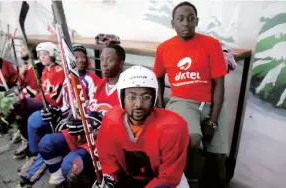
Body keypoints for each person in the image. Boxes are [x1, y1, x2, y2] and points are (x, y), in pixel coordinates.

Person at [152, 1, 229, 188]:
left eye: (190, 18)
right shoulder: (164, 48)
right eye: (180, 19)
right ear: (173, 23)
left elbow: (219, 84)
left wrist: (213, 120)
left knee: (218, 156)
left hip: (211, 102)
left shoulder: (211, 44)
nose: (185, 23)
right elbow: (159, 78)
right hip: (182, 102)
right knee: (193, 139)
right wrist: (161, 104)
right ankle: (189, 181)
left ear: (197, 21)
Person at [38, 44, 125, 187]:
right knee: (47, 143)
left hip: (104, 140)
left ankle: (91, 181)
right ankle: (61, 180)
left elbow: (121, 125)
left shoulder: (124, 88)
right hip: (87, 133)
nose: (103, 63)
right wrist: (67, 116)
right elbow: (89, 111)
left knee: (69, 166)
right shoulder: (101, 84)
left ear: (121, 63)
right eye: (102, 59)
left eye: (109, 60)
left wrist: (93, 124)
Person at [16, 44, 100, 188]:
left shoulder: (91, 79)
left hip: (86, 129)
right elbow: (66, 107)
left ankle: (32, 179)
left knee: (57, 150)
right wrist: (57, 113)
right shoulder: (68, 80)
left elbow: (94, 107)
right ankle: (32, 177)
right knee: (46, 141)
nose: (78, 60)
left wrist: (81, 119)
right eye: (74, 58)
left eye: (81, 57)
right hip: (72, 125)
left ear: (87, 60)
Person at [92, 65, 189, 188]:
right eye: (131, 97)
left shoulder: (173, 127)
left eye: (146, 97)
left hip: (164, 181)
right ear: (121, 97)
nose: (138, 104)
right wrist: (109, 178)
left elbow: (168, 177)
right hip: (129, 177)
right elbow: (107, 158)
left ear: (154, 98)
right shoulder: (111, 119)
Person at [12, 41, 65, 159]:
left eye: (45, 54)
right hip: (44, 102)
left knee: (21, 104)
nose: (42, 57)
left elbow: (56, 98)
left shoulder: (59, 71)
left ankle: (33, 151)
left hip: (53, 107)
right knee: (20, 113)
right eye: (40, 54)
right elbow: (42, 91)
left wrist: (32, 101)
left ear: (52, 54)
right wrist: (34, 100)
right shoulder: (46, 71)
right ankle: (28, 143)